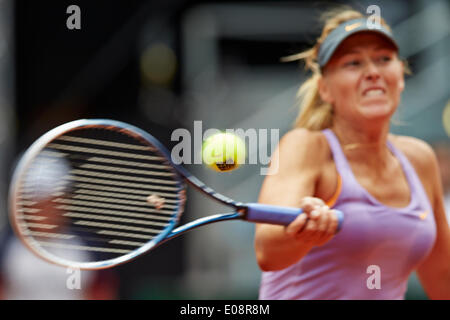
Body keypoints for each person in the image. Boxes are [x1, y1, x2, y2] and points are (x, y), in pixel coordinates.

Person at [254, 8, 450, 300]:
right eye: (353, 63)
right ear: (325, 89)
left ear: (401, 76)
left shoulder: (420, 158)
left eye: (384, 59)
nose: (373, 72)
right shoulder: (305, 146)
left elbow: (442, 276)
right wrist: (303, 233)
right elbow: (268, 252)